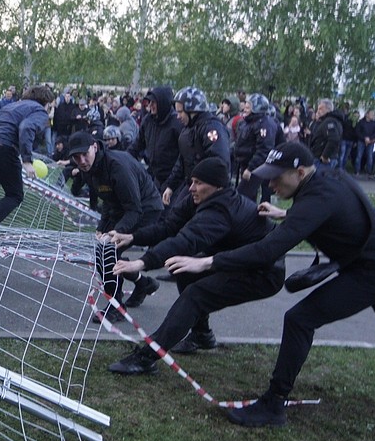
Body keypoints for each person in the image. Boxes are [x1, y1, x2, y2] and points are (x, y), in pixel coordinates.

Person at [166, 142, 375, 426]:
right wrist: (286, 214)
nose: (270, 183)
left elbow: (267, 251)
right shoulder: (328, 179)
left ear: (299, 171)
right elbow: (339, 210)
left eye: (276, 176)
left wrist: (207, 262)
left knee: (300, 319)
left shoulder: (317, 198)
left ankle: (273, 404)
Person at [106, 157, 285, 372]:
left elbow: (186, 240)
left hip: (263, 272)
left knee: (196, 295)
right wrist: (133, 237)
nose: (191, 188)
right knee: (183, 270)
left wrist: (142, 262)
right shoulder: (200, 199)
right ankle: (201, 334)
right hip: (235, 260)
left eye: (198, 183)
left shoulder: (220, 211)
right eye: (191, 181)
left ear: (218, 186)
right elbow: (168, 227)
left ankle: (147, 357)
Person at [68, 131, 164, 318]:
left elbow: (135, 209)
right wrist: (102, 227)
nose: (81, 161)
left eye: (84, 154)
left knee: (107, 251)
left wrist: (116, 232)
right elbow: (108, 200)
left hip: (145, 210)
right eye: (75, 157)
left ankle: (116, 307)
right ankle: (143, 284)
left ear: (94, 146)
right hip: (122, 209)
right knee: (103, 250)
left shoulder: (117, 166)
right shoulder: (88, 168)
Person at [0, 85, 56, 224]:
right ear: (47, 102)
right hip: (2, 147)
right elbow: (27, 128)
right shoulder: (40, 111)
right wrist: (27, 160)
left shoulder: (12, 106)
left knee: (8, 171)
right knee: (15, 195)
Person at [161, 87, 230, 207]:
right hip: (193, 185)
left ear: (192, 111)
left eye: (180, 112)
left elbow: (219, 162)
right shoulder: (188, 129)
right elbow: (183, 161)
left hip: (208, 190)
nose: (178, 116)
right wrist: (170, 186)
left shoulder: (211, 128)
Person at [307, 98, 343, 172]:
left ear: (328, 109)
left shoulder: (330, 121)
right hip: (321, 157)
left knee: (319, 182)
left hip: (322, 161)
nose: (318, 111)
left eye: (320, 109)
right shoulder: (330, 121)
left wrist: (325, 156)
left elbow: (334, 139)